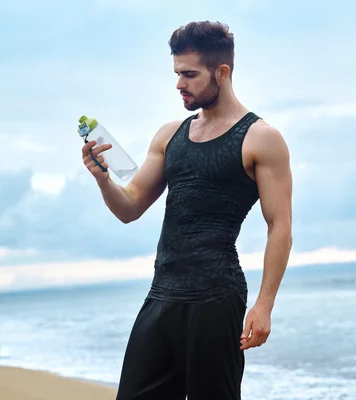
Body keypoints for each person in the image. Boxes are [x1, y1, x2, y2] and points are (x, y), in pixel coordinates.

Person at [81, 20, 293, 400]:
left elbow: (279, 226)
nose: (179, 83)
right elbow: (130, 207)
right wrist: (102, 179)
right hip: (162, 294)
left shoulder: (262, 138)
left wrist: (264, 305)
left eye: (190, 74)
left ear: (222, 72)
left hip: (217, 297)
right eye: (177, 73)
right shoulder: (169, 134)